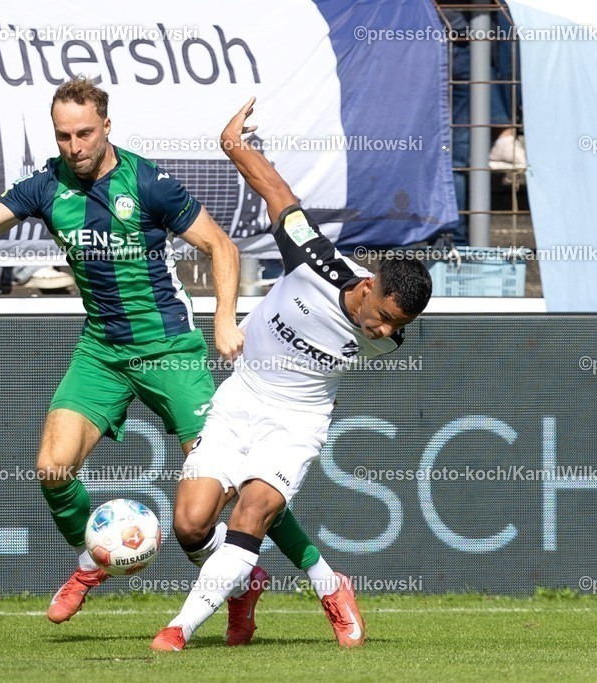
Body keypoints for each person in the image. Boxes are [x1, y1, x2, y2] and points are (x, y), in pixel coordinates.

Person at [0, 78, 331, 633]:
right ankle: (96, 558)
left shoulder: (147, 182)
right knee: (52, 469)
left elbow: (220, 246)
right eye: (63, 136)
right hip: (101, 350)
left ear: (107, 127)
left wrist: (225, 318)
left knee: (234, 481)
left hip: (170, 350)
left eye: (84, 133)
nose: (74, 146)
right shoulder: (45, 187)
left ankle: (314, 580)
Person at [150, 98, 433, 652]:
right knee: (190, 524)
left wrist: (385, 329)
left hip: (297, 420)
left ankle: (178, 628)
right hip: (239, 400)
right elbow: (278, 194)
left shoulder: (391, 338)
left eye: (395, 326)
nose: (382, 331)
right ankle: (322, 581)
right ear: (370, 284)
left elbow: (381, 330)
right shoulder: (316, 262)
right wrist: (233, 144)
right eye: (382, 315)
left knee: (255, 509)